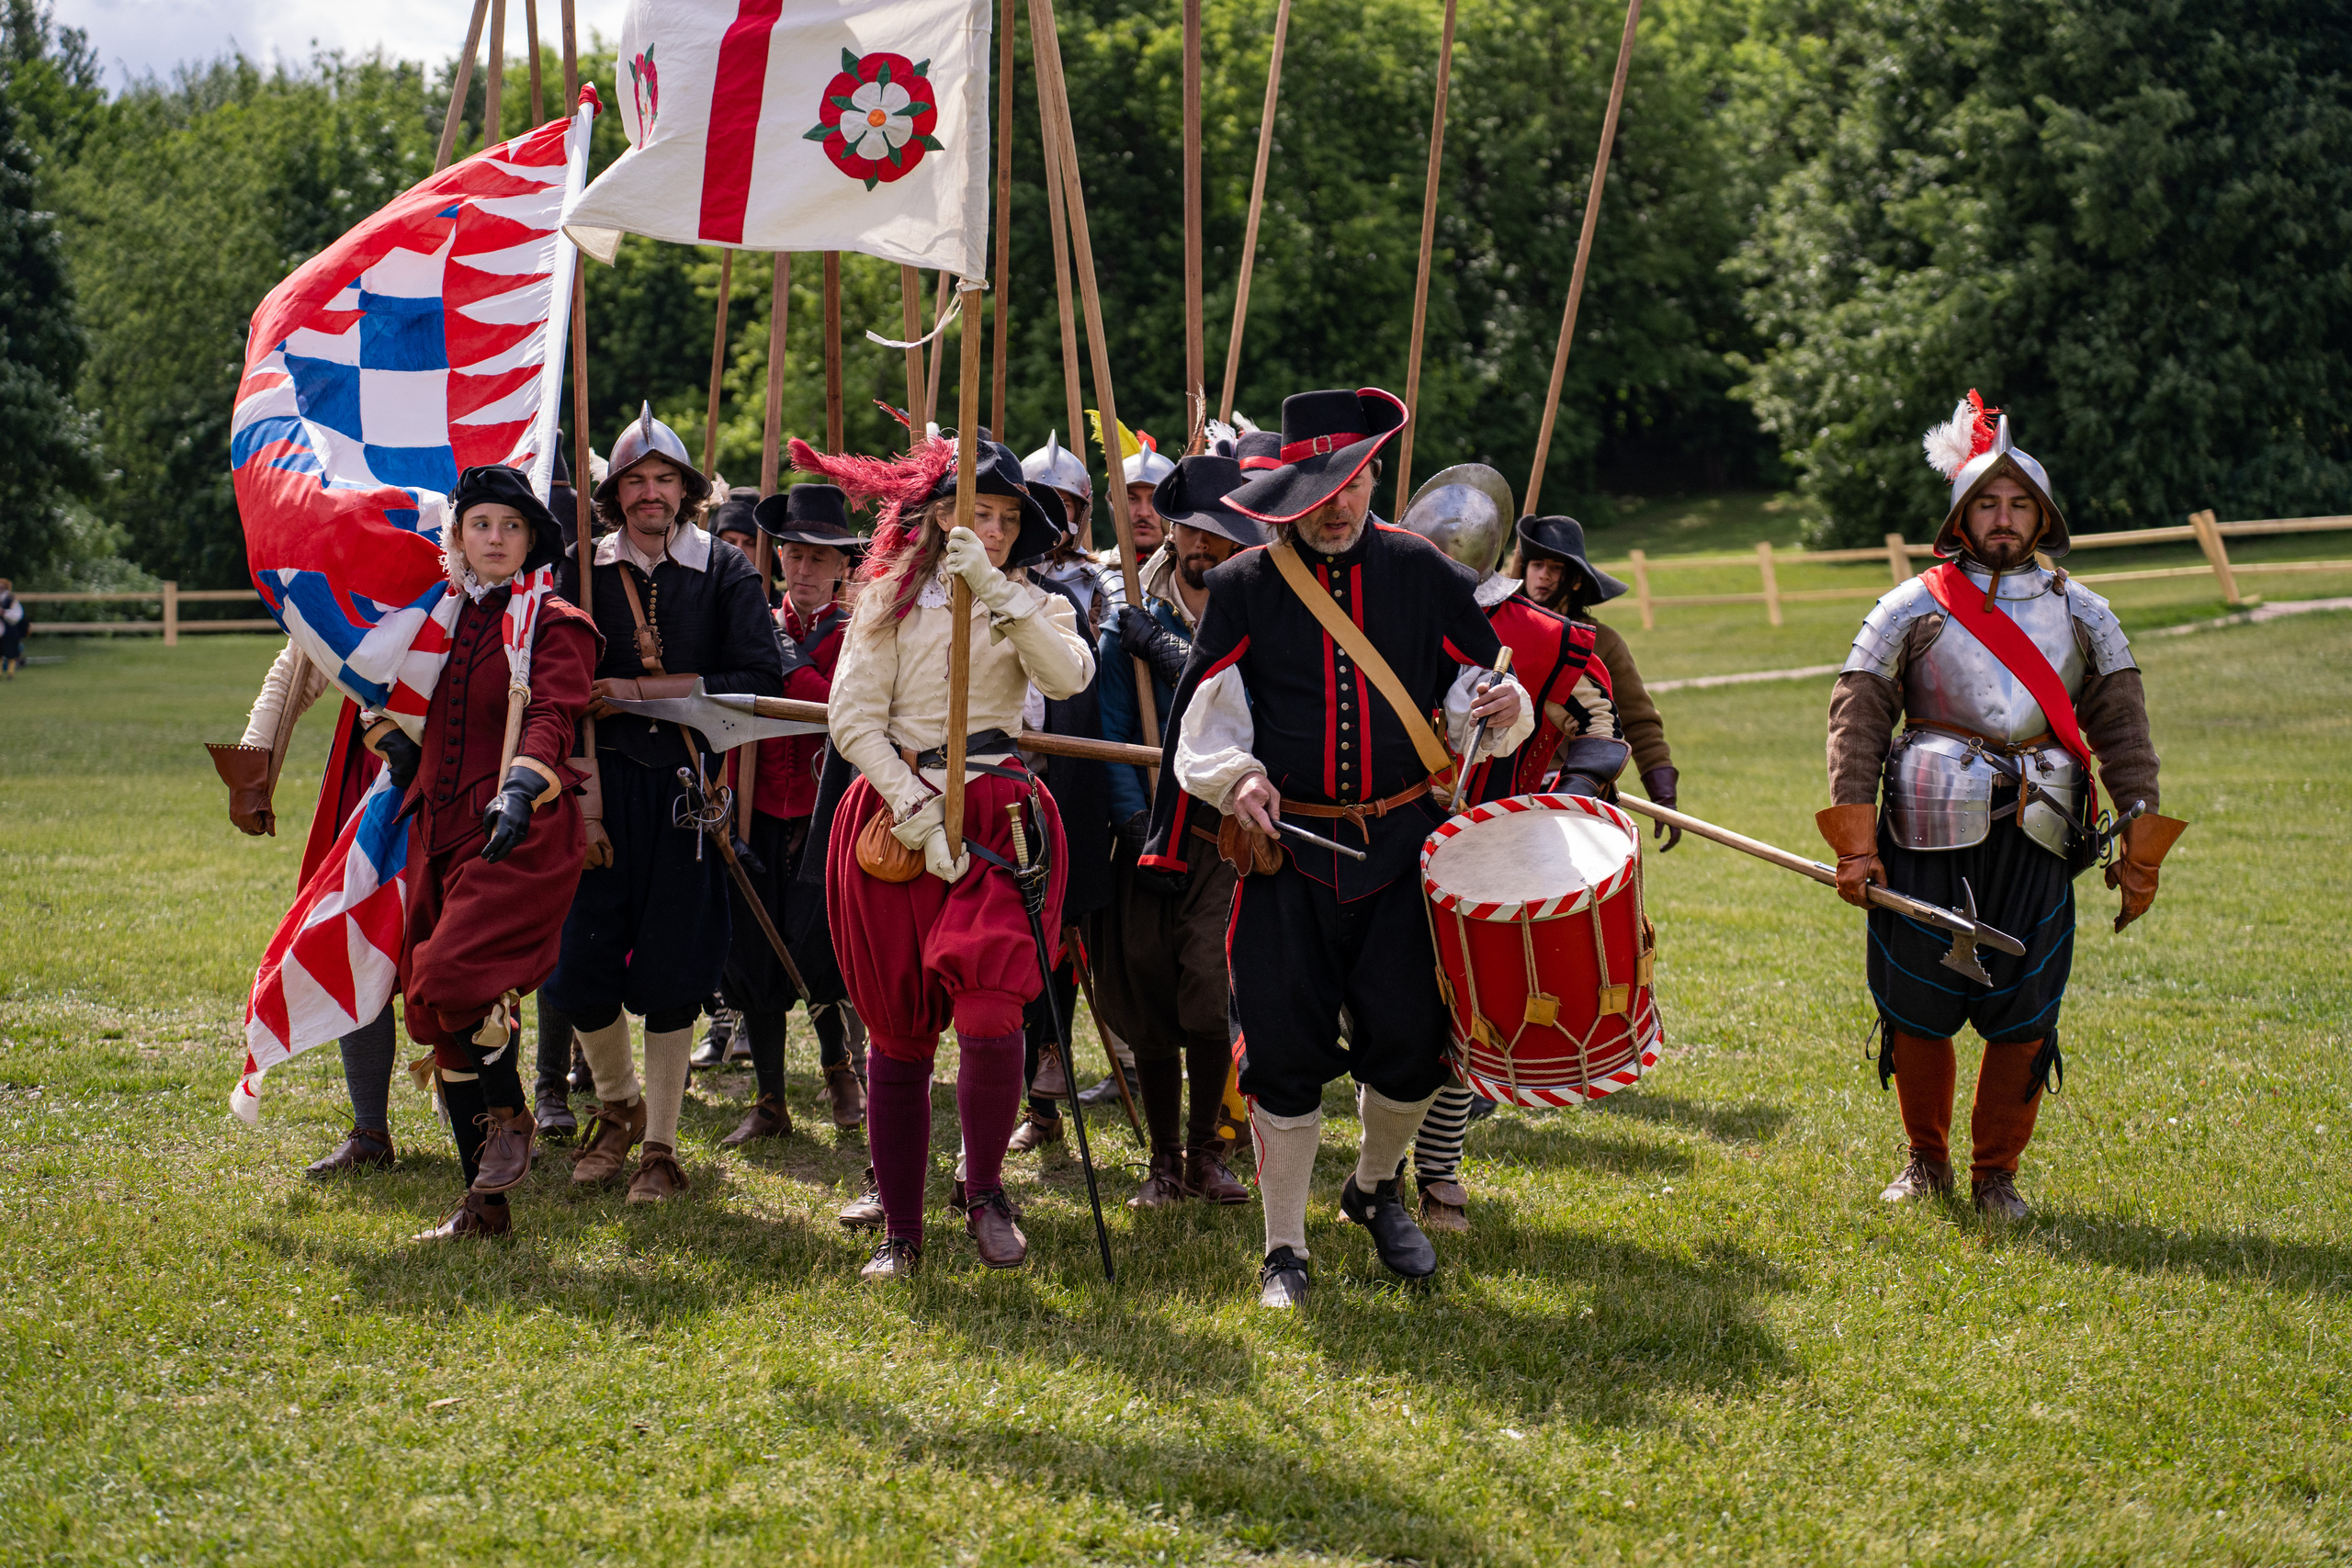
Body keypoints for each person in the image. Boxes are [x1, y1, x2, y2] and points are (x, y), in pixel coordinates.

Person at [1141, 388, 1531, 1307]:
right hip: (1289, 859)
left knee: (1413, 1046)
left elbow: (1478, 690)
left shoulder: (1423, 571)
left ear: (1371, 477)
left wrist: (1501, 710)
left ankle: (1372, 1189)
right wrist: (1237, 778)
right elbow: (1203, 720)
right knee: (1281, 1052)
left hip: (1404, 850)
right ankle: (1283, 1250)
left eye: (1350, 483)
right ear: (1287, 495)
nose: (1336, 504)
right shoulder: (1242, 586)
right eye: (1316, 488)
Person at [1818, 393, 2182, 1220]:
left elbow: (2123, 731)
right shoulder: (1910, 606)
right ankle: (1925, 1162)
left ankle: (1995, 1174)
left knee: (2026, 1011)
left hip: (2042, 830)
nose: (2005, 517)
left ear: (2042, 515)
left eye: (2020, 504)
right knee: (1915, 1001)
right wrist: (1854, 835)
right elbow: (1858, 720)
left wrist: (2141, 839)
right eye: (1989, 502)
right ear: (1961, 513)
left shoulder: (2082, 610)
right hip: (1924, 826)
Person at [801, 432, 1093, 1280]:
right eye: (977, 514)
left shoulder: (1038, 603)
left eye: (1005, 518)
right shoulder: (887, 596)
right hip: (899, 811)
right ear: (935, 515)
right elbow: (852, 720)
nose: (993, 529)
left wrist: (996, 591)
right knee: (898, 1031)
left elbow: (1069, 679)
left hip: (1002, 814)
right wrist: (913, 804)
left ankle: (987, 1189)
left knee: (994, 1005)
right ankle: (901, 1226)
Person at [1404, 510, 1687, 1232]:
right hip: (1383, 841)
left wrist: (1565, 811)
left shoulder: (1552, 641)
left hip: (1493, 860)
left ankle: (1436, 1175)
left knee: (1463, 1022)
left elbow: (1603, 726)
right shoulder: (1381, 615)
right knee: (1386, 1020)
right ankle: (1376, 1169)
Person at [546, 404, 787, 1203]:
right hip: (597, 795)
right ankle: (616, 1107)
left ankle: (658, 1144)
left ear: (687, 489)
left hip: (687, 794)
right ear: (616, 493)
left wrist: (641, 692)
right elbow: (554, 677)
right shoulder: (581, 566)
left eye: (665, 479)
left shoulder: (726, 570)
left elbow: (759, 682)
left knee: (674, 971)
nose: (651, 493)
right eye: (636, 481)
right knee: (577, 967)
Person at [401, 464, 600, 1239]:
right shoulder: (431, 620)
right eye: (481, 524)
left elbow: (552, 713)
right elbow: (392, 697)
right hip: (441, 831)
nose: (494, 538)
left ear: (529, 541)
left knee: (450, 974)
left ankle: (511, 1110)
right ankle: (481, 1208)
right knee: (436, 1015)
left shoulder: (555, 622)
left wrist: (521, 787)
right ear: (457, 535)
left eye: (511, 527)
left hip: (522, 826)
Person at [1093, 453, 1267, 1207]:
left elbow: (1246, 708)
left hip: (1222, 837)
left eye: (1217, 535)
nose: (1201, 547)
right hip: (1143, 837)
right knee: (1149, 990)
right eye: (1190, 530)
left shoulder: (1262, 619)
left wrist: (1164, 653)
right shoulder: (1130, 616)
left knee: (1207, 989)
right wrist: (1135, 820)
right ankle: (1164, 1161)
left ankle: (1207, 1153)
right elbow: (1105, 728)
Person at [209, 639, 405, 1177]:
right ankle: (370, 1130)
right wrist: (253, 764)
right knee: (350, 936)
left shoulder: (492, 556)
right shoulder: (362, 561)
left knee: (461, 939)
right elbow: (301, 661)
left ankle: (494, 1119)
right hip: (372, 759)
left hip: (461, 752)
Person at [713, 482, 869, 1143]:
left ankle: (839, 1065)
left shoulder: (861, 634)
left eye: (818, 558)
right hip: (754, 806)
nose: (803, 570)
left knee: (818, 948)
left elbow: (845, 706)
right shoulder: (751, 621)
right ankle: (771, 1100)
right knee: (755, 952)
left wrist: (784, 663)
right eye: (794, 557)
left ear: (842, 567)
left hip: (822, 811)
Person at [1096, 434, 1174, 610]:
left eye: (1155, 500)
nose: (1143, 513)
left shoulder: (1189, 575)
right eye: (1131, 499)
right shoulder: (1091, 572)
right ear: (1113, 504)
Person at [0, 579, 24, 676]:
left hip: (10, 628)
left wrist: (5, 613)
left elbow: (17, 614)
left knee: (11, 651)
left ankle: (10, 672)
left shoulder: (11, 599)